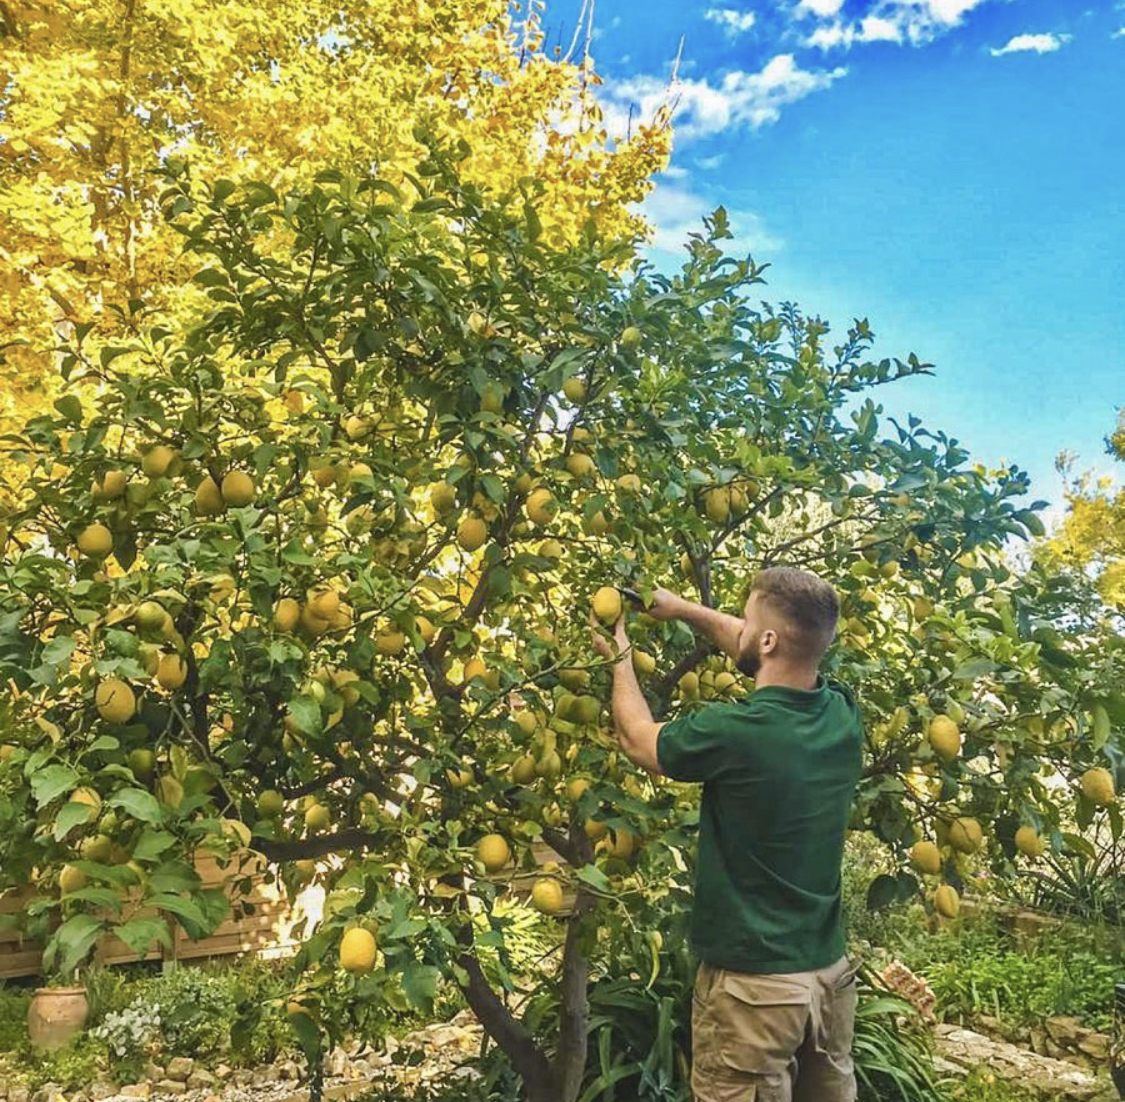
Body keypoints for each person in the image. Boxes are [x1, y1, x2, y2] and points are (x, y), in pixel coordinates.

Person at [589, 566, 864, 1102]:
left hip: (753, 992)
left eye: (748, 620)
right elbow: (755, 646)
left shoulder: (735, 732)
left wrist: (620, 655)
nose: (737, 627)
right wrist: (683, 609)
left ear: (766, 640)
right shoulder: (842, 713)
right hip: (828, 982)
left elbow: (639, 741)